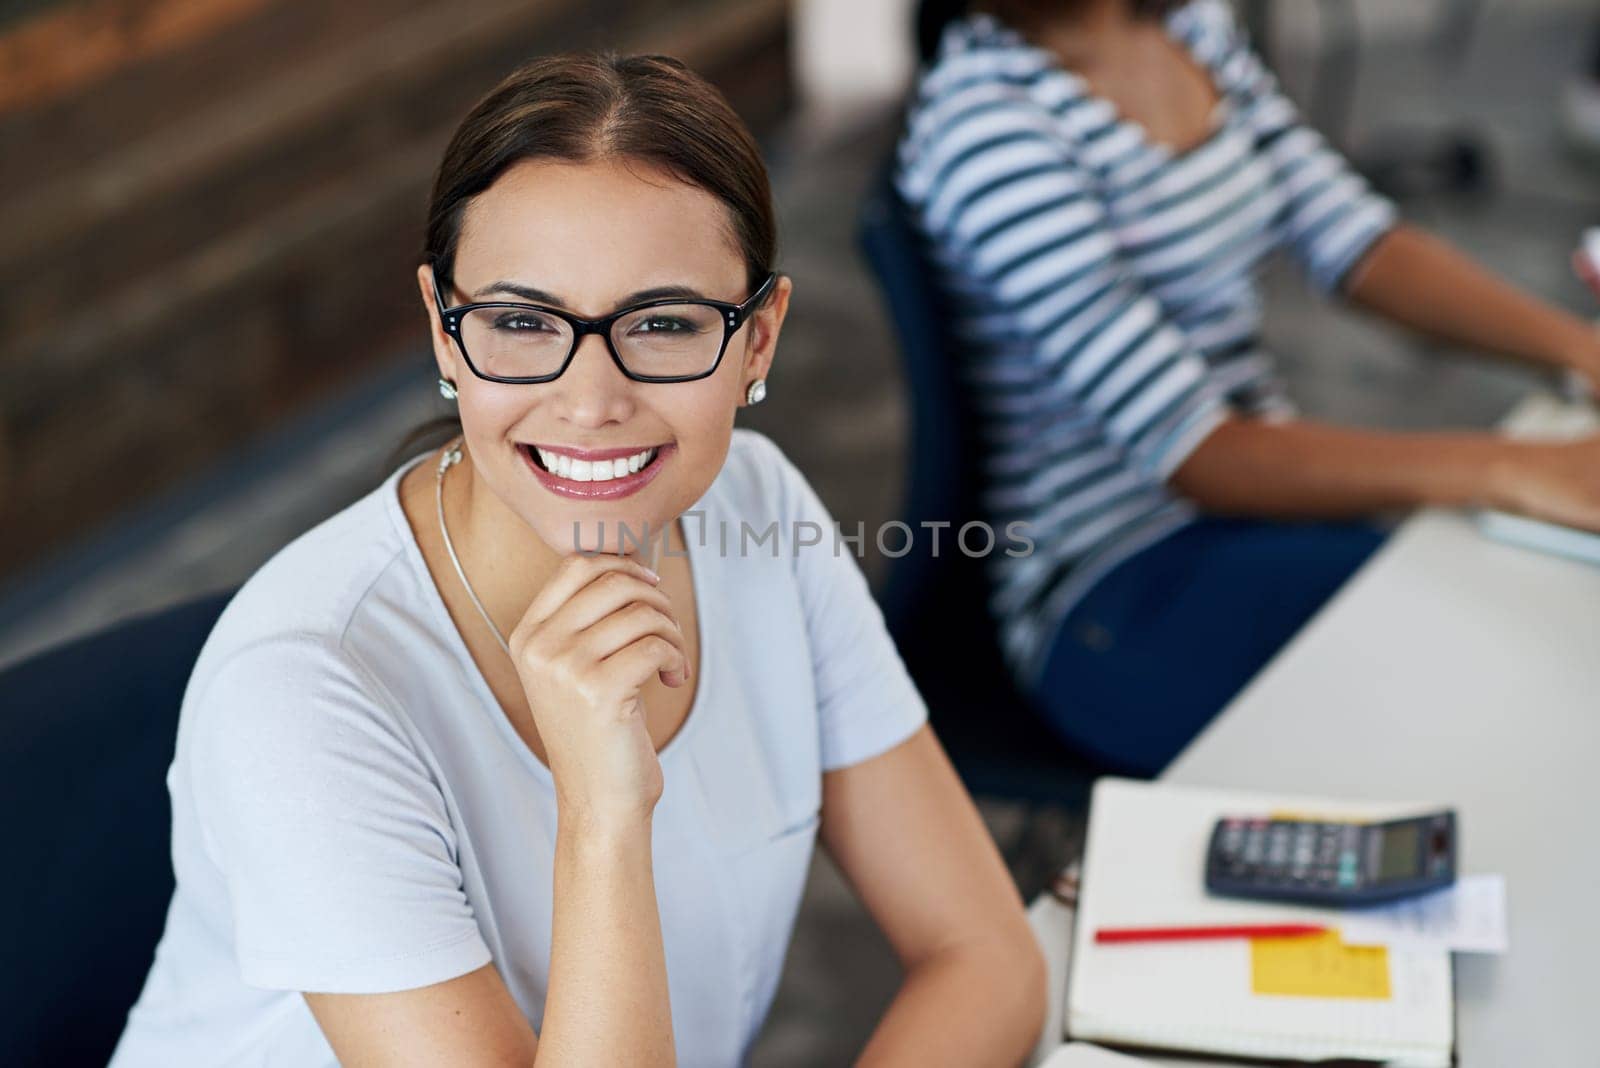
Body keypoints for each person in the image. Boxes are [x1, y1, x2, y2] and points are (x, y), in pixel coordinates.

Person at [110, 52, 1045, 1067]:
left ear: (759, 341)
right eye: (520, 323)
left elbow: (985, 954)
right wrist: (601, 812)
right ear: (443, 329)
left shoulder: (757, 508)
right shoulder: (302, 691)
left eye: (663, 323)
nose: (591, 400)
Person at [897, 0, 1600, 776]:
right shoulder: (986, 125)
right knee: (1519, 690)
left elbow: (1359, 241)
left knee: (1545, 615)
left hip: (1268, 521)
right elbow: (1198, 450)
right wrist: (1511, 470)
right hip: (1122, 589)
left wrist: (1583, 350)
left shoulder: (1185, 29)